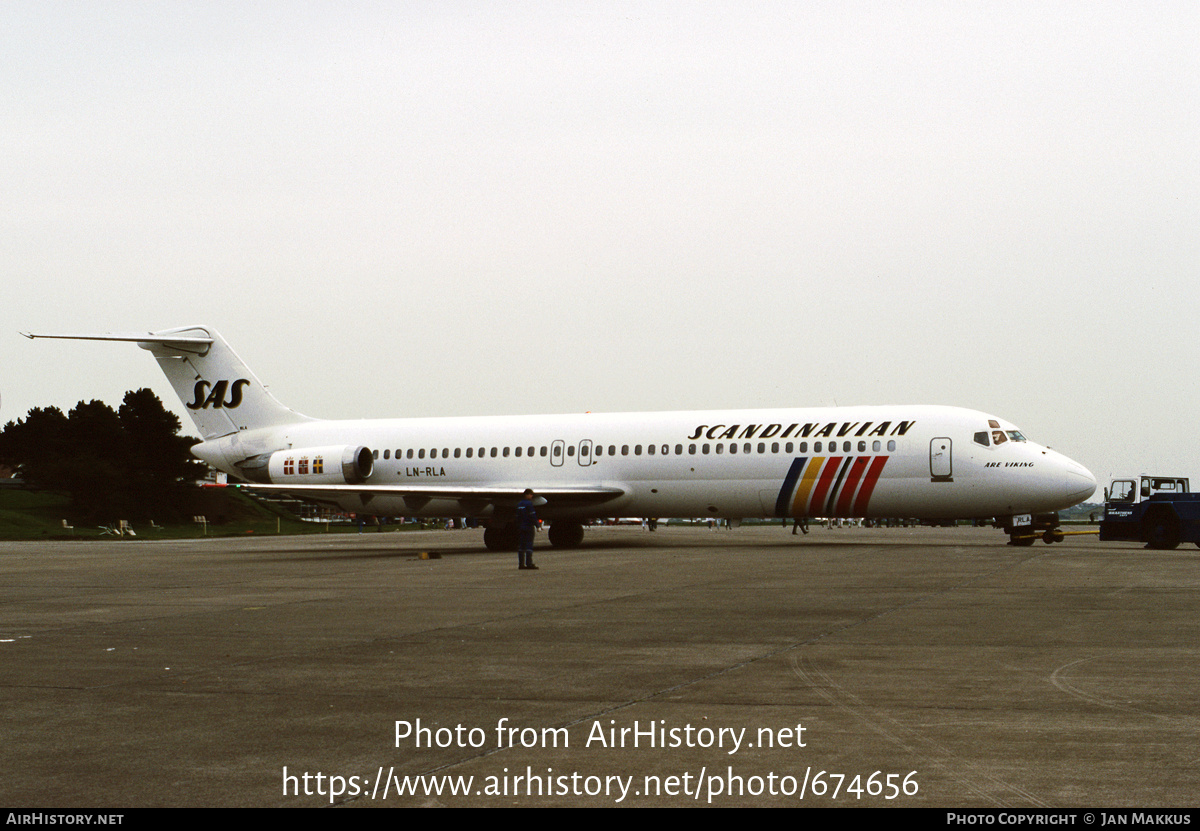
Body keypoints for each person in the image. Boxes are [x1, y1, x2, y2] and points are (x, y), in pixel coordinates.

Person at [516, 489, 538, 570]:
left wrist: (518, 526)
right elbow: (532, 515)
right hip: (528, 527)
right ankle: (529, 564)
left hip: (521, 527)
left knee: (521, 546)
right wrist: (537, 525)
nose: (531, 496)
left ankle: (521, 564)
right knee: (529, 545)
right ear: (527, 495)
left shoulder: (519, 504)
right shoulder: (529, 504)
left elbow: (517, 516)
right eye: (531, 495)